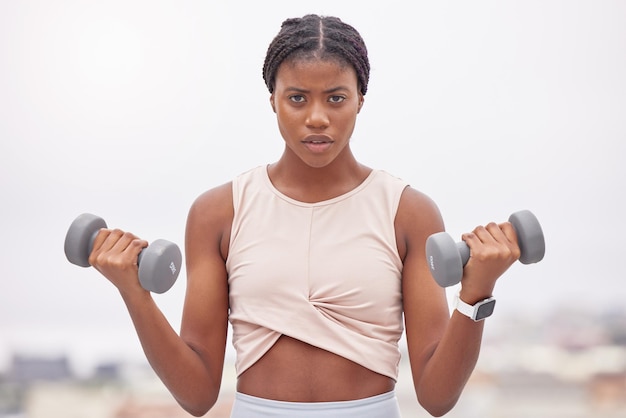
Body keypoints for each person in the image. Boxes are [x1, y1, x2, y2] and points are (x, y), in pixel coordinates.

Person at [88, 14, 521, 418]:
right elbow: (198, 394)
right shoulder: (218, 212)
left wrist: (475, 293)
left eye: (336, 98)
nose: (317, 118)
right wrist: (134, 293)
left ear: (360, 101)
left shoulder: (408, 212)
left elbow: (436, 397)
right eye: (297, 98)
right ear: (273, 101)